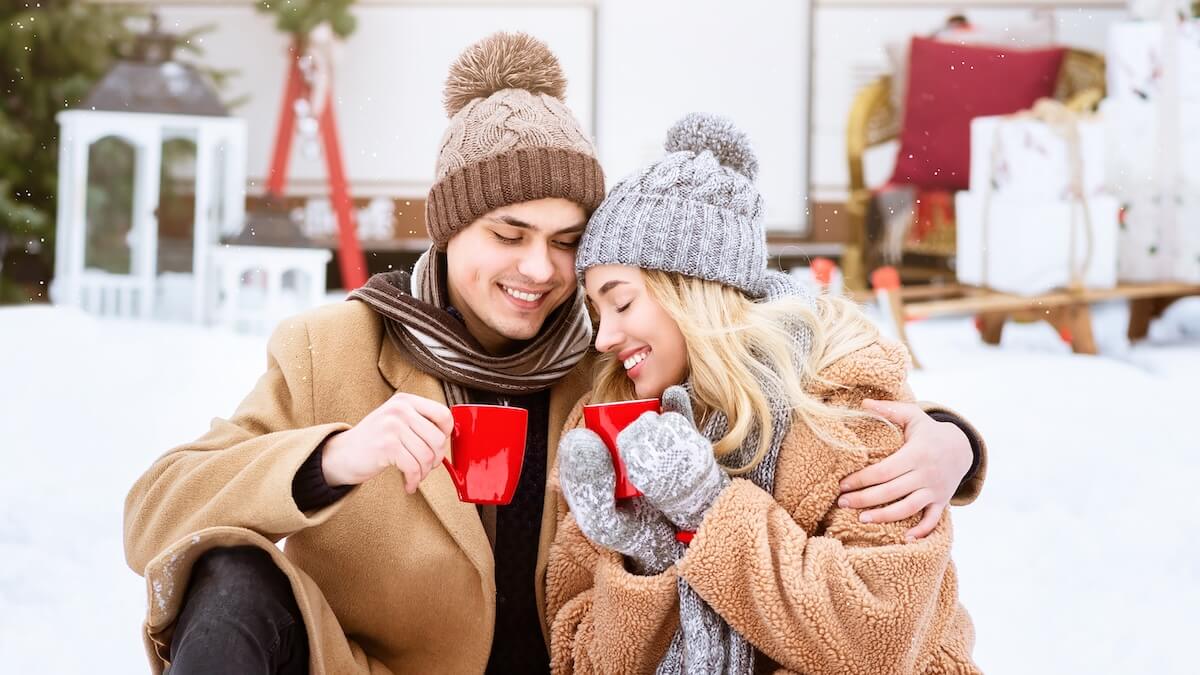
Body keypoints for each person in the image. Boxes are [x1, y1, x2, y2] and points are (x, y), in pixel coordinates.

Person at [123, 36, 983, 674]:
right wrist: (335, 456)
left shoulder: (614, 365)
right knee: (232, 574)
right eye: (509, 233)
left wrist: (951, 438)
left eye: (566, 242)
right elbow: (157, 510)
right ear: (450, 225)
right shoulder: (336, 349)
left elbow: (771, 376)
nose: (539, 270)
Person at [547, 113, 980, 674]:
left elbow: (874, 636)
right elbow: (574, 653)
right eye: (595, 310)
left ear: (693, 289)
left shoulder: (842, 396)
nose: (604, 338)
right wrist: (649, 556)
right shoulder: (607, 422)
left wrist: (708, 510)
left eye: (622, 302)